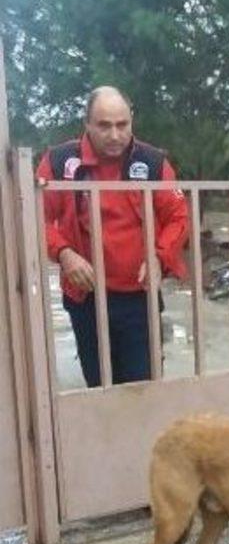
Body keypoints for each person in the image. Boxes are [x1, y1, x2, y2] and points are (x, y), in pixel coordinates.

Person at [37, 86, 188, 387]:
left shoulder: (152, 162)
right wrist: (65, 253)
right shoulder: (60, 162)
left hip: (138, 297)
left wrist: (160, 256)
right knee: (99, 386)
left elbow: (178, 217)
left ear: (131, 121)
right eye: (104, 126)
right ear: (87, 124)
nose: (115, 135)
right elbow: (34, 217)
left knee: (144, 386)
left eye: (122, 124)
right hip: (85, 297)